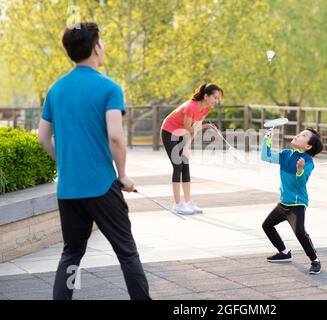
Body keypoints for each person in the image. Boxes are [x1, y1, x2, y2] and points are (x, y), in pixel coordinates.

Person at [38, 22, 151, 300]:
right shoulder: (109, 88)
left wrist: (65, 162)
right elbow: (115, 136)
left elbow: (43, 138)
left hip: (69, 188)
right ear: (95, 48)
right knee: (126, 251)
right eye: (101, 43)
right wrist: (122, 174)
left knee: (72, 253)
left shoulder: (55, 90)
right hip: (102, 185)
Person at [261, 127, 324, 274]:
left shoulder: (308, 162)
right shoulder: (285, 154)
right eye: (300, 133)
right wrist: (267, 139)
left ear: (308, 146)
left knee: (300, 233)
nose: (298, 135)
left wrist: (300, 169)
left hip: (297, 205)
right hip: (283, 203)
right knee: (267, 225)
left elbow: (300, 183)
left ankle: (315, 260)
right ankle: (284, 252)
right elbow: (266, 156)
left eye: (303, 135)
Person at [160, 83, 223, 214]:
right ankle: (177, 204)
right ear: (206, 96)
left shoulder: (206, 109)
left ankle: (188, 202)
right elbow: (189, 127)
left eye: (218, 98)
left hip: (182, 133)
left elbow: (193, 131)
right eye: (215, 97)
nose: (216, 101)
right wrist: (205, 126)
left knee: (185, 165)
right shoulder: (191, 107)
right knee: (177, 166)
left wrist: (187, 147)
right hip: (169, 131)